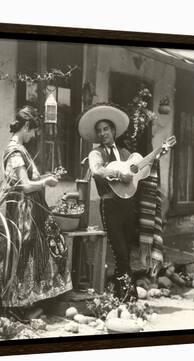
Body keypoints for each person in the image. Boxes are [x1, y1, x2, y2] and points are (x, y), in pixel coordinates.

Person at [2, 106, 72, 319]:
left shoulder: (21, 150)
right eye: (32, 131)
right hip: (24, 211)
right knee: (26, 254)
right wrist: (46, 182)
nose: (33, 136)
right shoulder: (15, 151)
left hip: (31, 209)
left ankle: (37, 300)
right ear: (25, 127)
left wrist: (43, 179)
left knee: (44, 250)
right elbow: (25, 186)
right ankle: (19, 305)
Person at [77, 103, 136, 298]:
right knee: (119, 250)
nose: (103, 133)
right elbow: (97, 170)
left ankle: (123, 295)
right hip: (110, 205)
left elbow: (138, 170)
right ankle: (126, 296)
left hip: (128, 205)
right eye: (99, 131)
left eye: (106, 129)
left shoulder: (125, 153)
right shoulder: (96, 153)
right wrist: (119, 173)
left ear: (113, 131)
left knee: (127, 250)